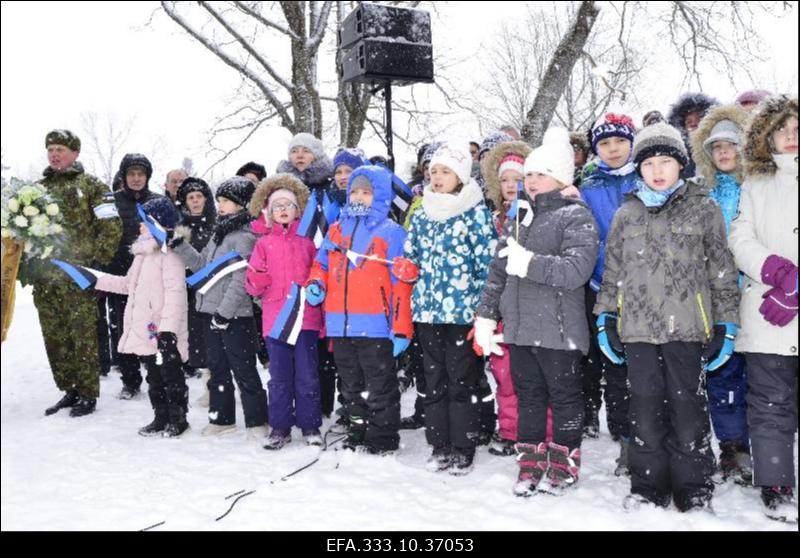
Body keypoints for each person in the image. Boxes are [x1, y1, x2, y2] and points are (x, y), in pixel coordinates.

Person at [596, 122, 740, 512]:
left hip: (688, 329)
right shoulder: (627, 215)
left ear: (680, 165)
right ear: (638, 169)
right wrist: (606, 316)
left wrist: (726, 323)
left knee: (687, 407)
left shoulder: (705, 209)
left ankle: (693, 484)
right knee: (643, 407)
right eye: (648, 164)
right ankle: (647, 485)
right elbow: (613, 271)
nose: (657, 170)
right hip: (638, 330)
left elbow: (721, 271)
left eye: (665, 161)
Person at [476, 126, 599, 496]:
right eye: (527, 174)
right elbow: (498, 272)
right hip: (520, 329)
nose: (530, 181)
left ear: (560, 177)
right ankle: (530, 461)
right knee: (528, 397)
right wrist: (485, 316)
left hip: (560, 331)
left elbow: (576, 270)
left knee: (563, 399)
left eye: (539, 174)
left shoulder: (576, 216)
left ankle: (563, 463)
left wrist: (528, 262)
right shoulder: (518, 218)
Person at [306, 165, 416, 455]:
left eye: (366, 192)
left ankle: (381, 439)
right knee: (351, 387)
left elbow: (401, 282)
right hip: (340, 325)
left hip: (376, 326)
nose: (358, 196)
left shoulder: (392, 232)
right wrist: (316, 282)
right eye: (354, 190)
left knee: (379, 386)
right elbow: (322, 264)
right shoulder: (337, 228)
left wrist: (401, 326)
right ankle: (357, 431)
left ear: (379, 195)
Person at [405, 142, 497, 475]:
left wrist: (484, 310)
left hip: (461, 313)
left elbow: (488, 263)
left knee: (462, 381)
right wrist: (407, 267)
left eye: (445, 171)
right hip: (428, 312)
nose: (438, 177)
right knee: (434, 379)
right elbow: (410, 254)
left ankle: (463, 444)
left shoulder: (474, 211)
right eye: (433, 172)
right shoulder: (421, 212)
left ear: (459, 175)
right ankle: (439, 444)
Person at [728, 95, 798, 523]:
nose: (792, 136)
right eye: (783, 129)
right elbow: (740, 238)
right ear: (768, 137)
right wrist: (776, 271)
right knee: (770, 404)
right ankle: (775, 481)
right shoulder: (753, 186)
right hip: (767, 311)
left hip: (786, 303)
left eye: (798, 129)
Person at [31, 130, 122, 417]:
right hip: (46, 278)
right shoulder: (36, 190)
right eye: (50, 149)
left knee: (82, 335)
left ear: (75, 152)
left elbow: (111, 226)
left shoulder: (93, 186)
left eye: (60, 149)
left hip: (78, 276)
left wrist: (94, 263)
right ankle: (69, 388)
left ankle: (87, 392)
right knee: (55, 336)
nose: (54, 154)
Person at [170, 177, 269, 438]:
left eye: (226, 201)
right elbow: (203, 266)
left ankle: (257, 422)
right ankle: (222, 418)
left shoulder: (246, 237)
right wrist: (181, 247)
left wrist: (224, 314)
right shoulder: (219, 232)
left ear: (242, 205)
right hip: (208, 312)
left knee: (245, 370)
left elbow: (241, 281)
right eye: (220, 200)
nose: (221, 205)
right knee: (217, 370)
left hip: (235, 317)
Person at [690, 104, 753, 484]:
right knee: (722, 371)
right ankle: (732, 446)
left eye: (732, 145)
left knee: (759, 375)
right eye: (717, 147)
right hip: (713, 296)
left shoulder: (759, 188)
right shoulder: (703, 193)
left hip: (756, 292)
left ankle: (761, 441)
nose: (725, 153)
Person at [94, 198, 190, 437]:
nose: (139, 226)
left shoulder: (170, 255)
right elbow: (128, 285)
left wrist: (168, 330)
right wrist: (95, 279)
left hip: (165, 330)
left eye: (144, 222)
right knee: (154, 376)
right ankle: (160, 416)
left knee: (171, 375)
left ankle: (178, 419)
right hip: (147, 329)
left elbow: (176, 294)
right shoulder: (142, 254)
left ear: (157, 223)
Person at [578, 111, 638, 475]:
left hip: (645, 286)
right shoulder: (590, 185)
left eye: (619, 141)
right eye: (605, 143)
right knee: (612, 360)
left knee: (641, 363)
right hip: (601, 284)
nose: (613, 149)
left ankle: (641, 430)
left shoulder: (648, 175)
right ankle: (622, 430)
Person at [246, 174, 324, 448]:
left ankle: (311, 425)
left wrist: (317, 287)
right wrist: (256, 279)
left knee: (307, 374)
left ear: (297, 210)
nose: (282, 210)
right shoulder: (263, 243)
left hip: (306, 318)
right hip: (276, 320)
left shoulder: (308, 242)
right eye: (277, 205)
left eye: (287, 205)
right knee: (279, 377)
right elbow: (252, 283)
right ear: (269, 212)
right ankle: (279, 426)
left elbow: (320, 272)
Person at [479, 139, 533, 456]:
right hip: (500, 308)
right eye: (504, 180)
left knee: (533, 375)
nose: (511, 185)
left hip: (531, 307)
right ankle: (510, 429)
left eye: (518, 179)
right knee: (504, 374)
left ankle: (534, 430)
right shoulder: (492, 220)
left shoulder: (537, 214)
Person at [108, 154, 165, 400]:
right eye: (131, 174)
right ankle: (130, 380)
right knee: (123, 326)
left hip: (151, 275)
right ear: (124, 176)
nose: (136, 178)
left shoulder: (159, 202)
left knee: (154, 325)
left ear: (147, 177)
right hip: (120, 274)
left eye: (141, 174)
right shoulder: (112, 202)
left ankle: (157, 372)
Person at [176, 177, 217, 392]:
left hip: (214, 291)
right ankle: (209, 388)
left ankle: (219, 388)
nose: (195, 201)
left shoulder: (217, 224)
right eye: (190, 197)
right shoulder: (180, 228)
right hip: (190, 293)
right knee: (199, 341)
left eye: (199, 196)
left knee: (216, 341)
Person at [667, 92, 720, 177]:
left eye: (699, 119)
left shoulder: (718, 147)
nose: (693, 124)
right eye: (689, 122)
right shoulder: (680, 155)